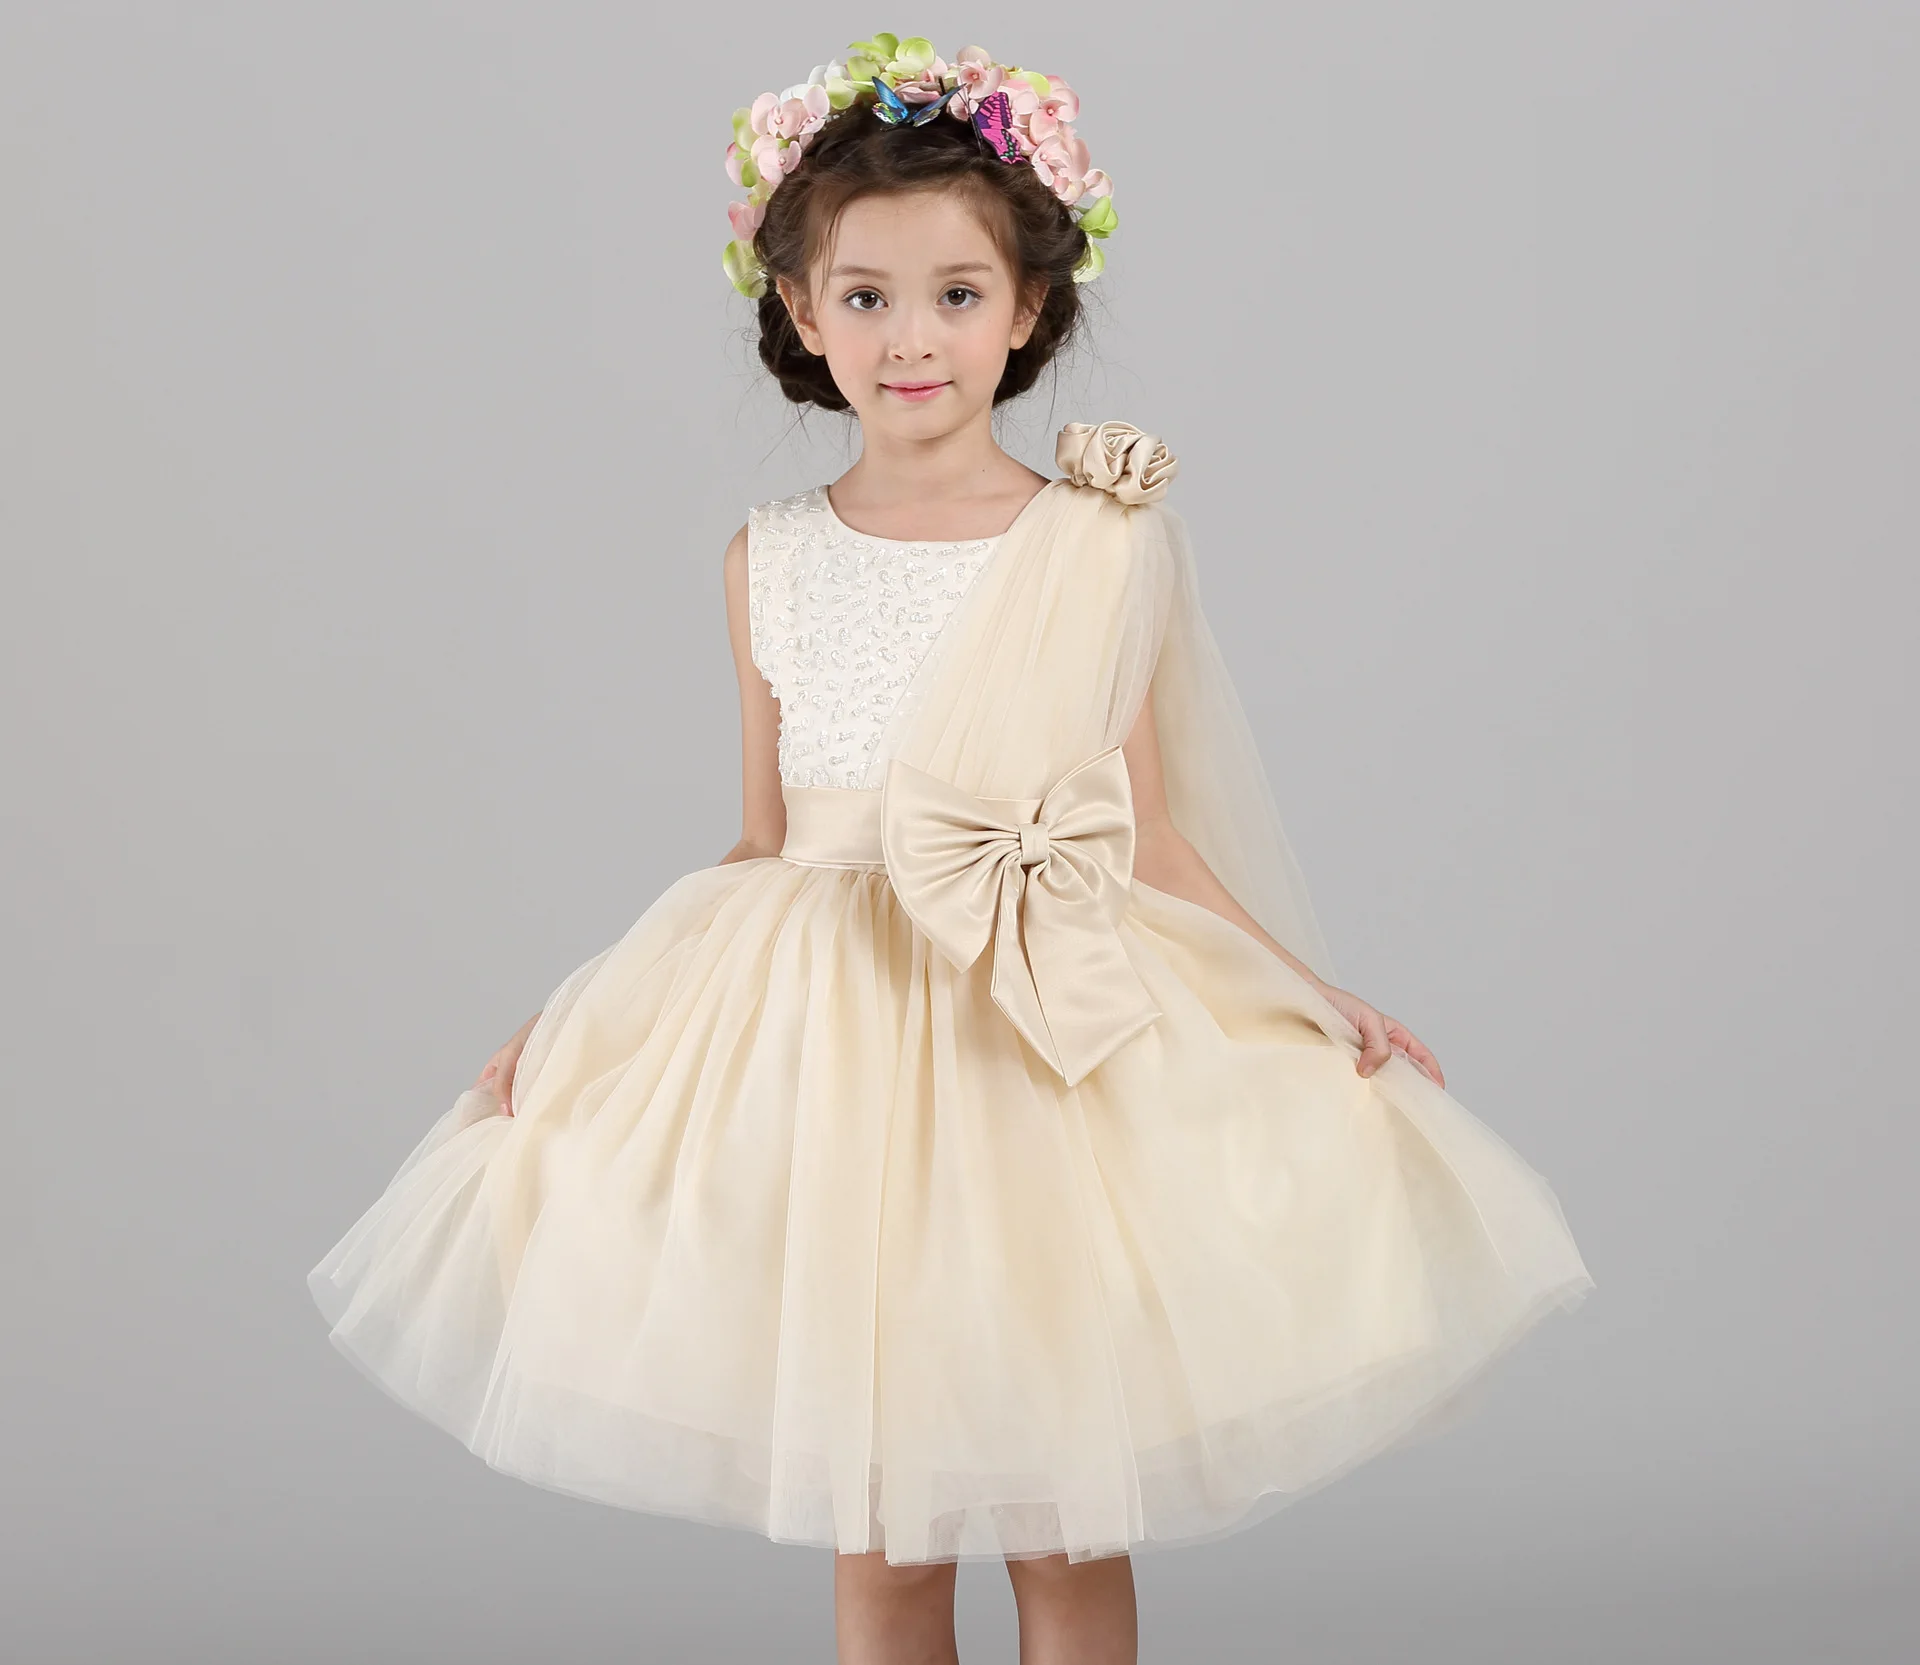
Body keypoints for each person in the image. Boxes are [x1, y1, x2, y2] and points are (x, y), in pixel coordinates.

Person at [308, 36, 1594, 1665]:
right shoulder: (768, 558)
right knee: (884, 1532)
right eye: (865, 297)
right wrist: (580, 1023)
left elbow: (1149, 827)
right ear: (797, 310)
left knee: (1061, 1515)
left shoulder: (1099, 546)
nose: (910, 339)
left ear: (1029, 307)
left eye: (956, 295)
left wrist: (1309, 994)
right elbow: (765, 841)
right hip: (839, 1062)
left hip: (1043, 1056)